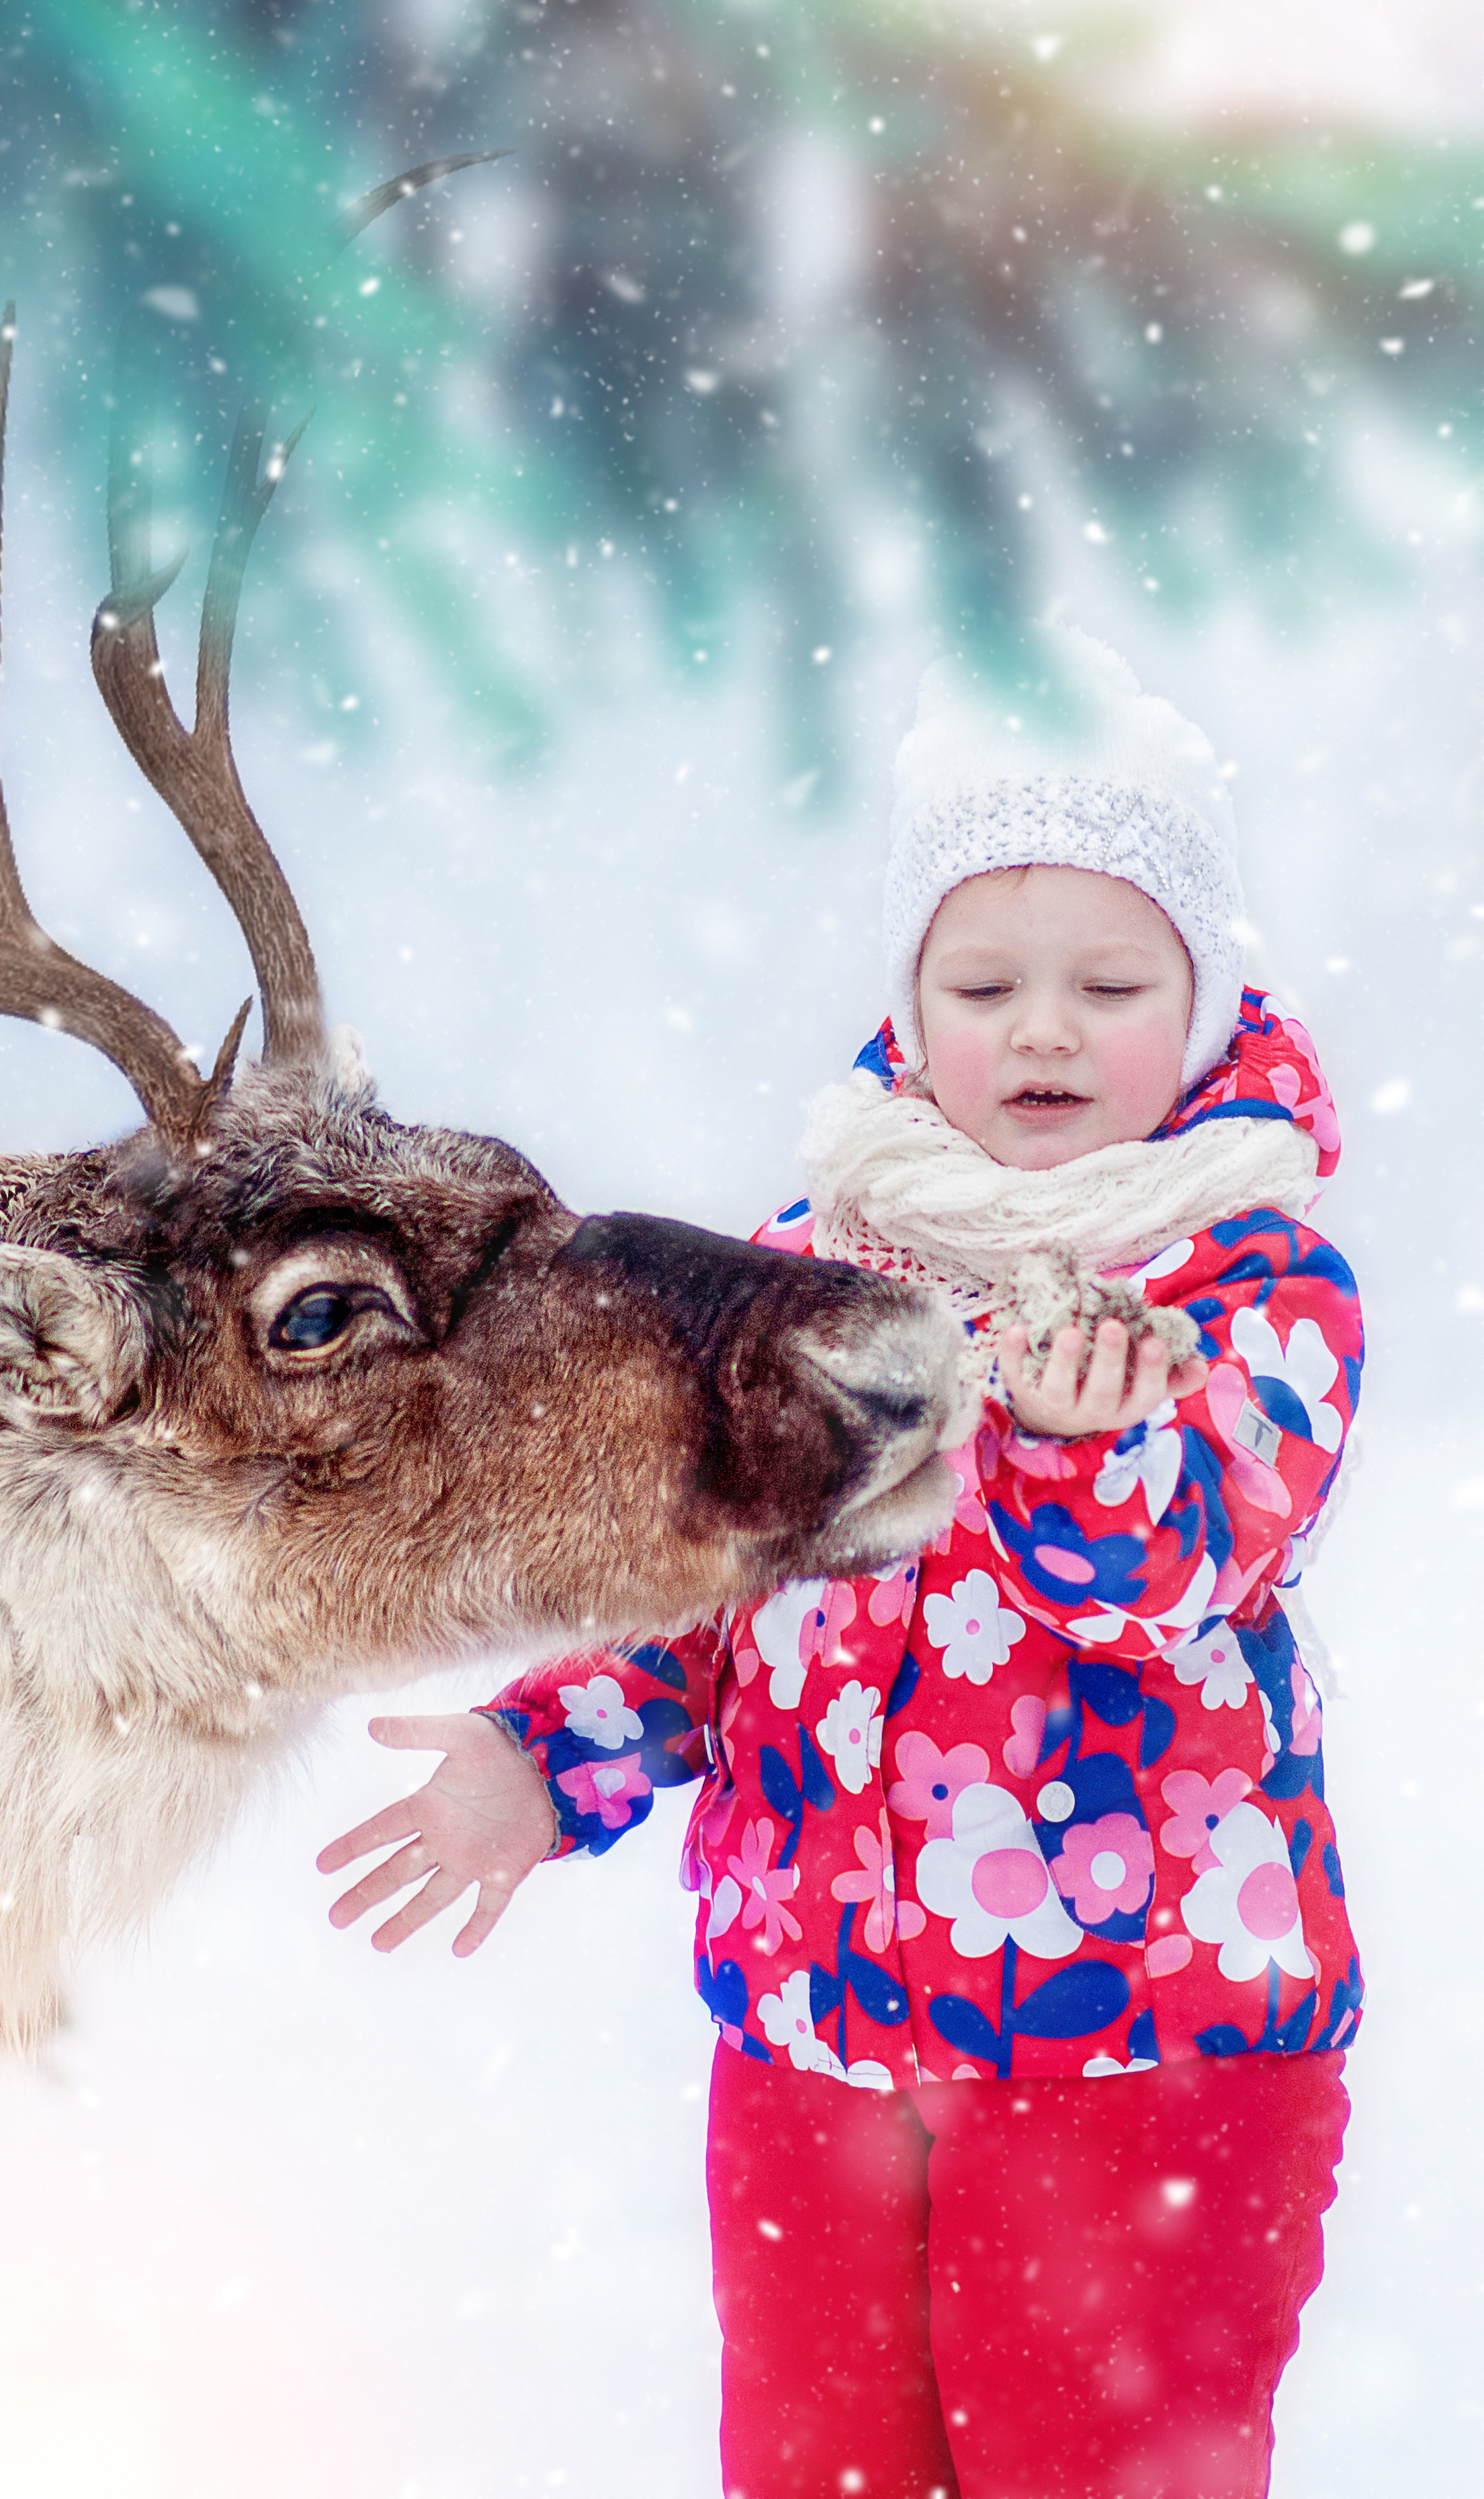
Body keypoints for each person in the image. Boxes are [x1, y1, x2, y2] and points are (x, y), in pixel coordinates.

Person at [318, 628, 1362, 2499]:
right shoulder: (812, 1269)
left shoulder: (1251, 1284)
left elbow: (1177, 1570)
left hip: (1144, 2056)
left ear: (1204, 1006)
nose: (1044, 1031)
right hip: (816, 2049)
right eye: (987, 983)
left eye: (1112, 983)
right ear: (912, 999)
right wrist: (547, 1757)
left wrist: (1069, 1447)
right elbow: (713, 1591)